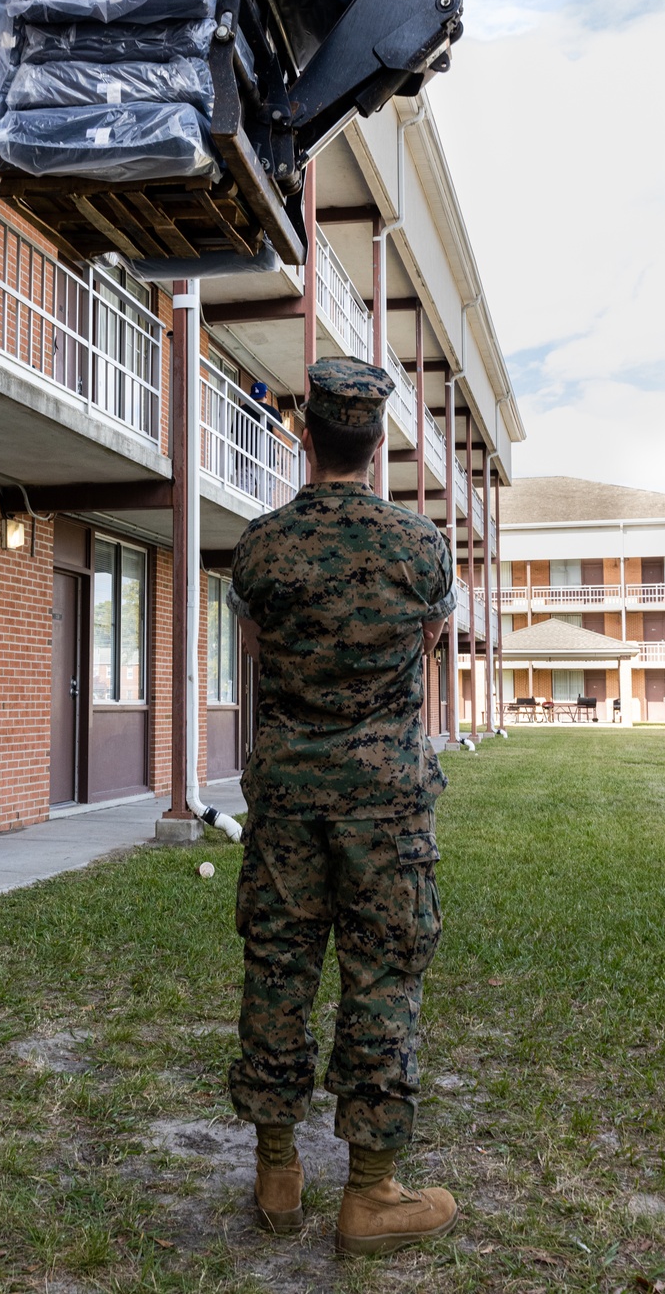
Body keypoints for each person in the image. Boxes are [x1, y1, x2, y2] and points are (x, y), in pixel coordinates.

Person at [227, 354, 458, 1257]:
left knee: (279, 965)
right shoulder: (419, 546)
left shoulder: (262, 544)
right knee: (382, 975)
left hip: (286, 795)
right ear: (375, 445)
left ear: (306, 434)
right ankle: (371, 1192)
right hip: (385, 806)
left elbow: (253, 644)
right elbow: (433, 636)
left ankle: (277, 1171)